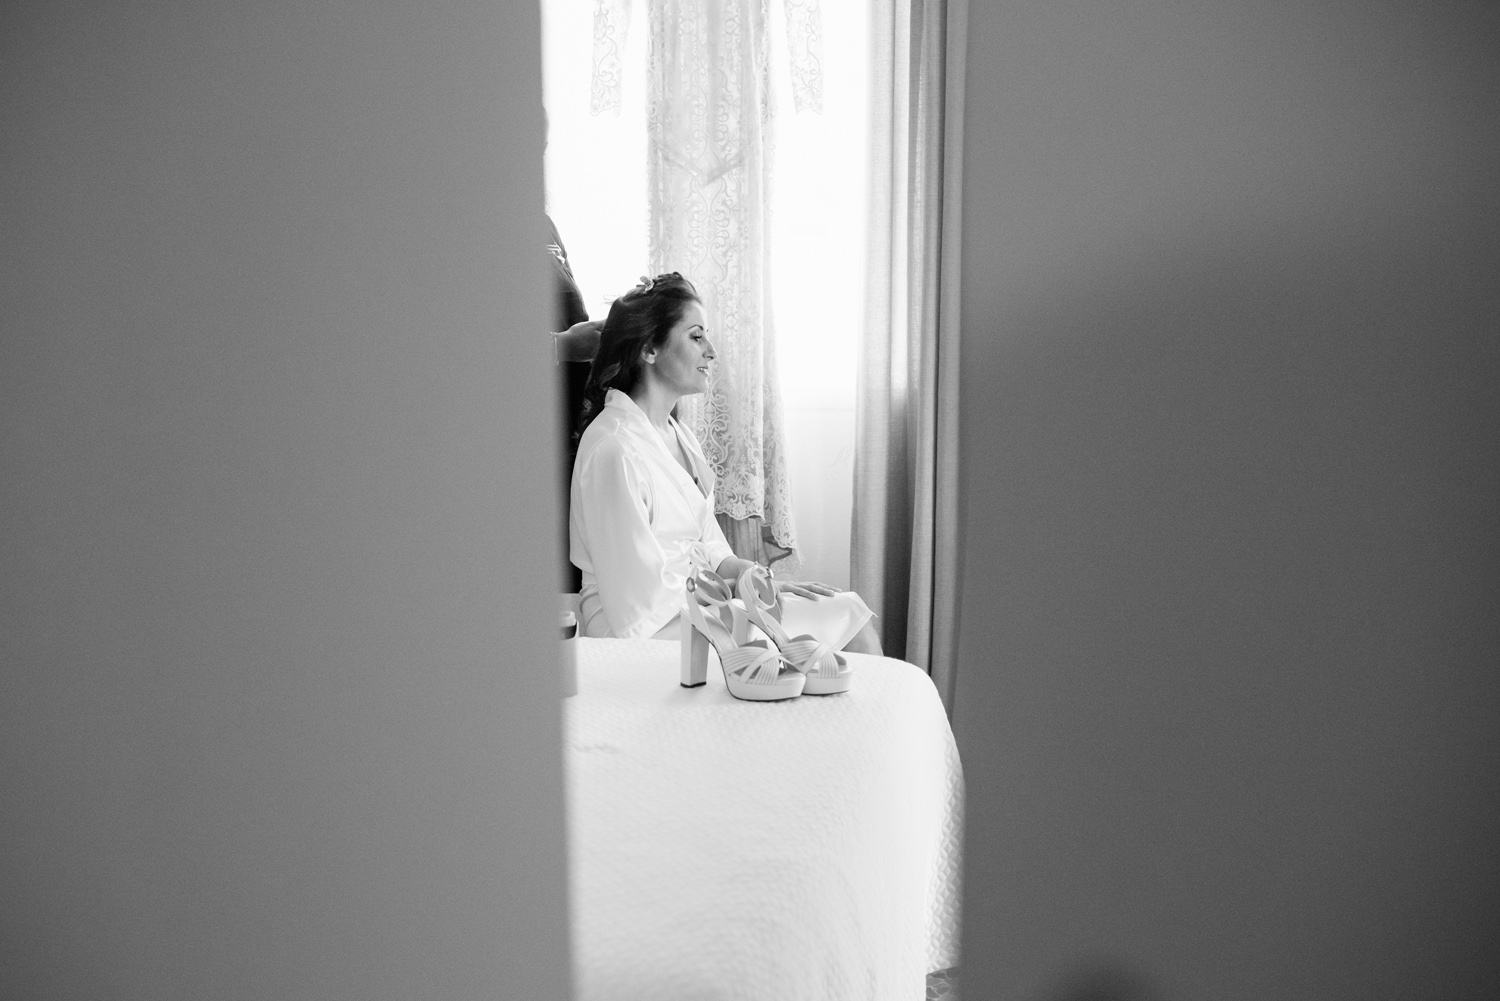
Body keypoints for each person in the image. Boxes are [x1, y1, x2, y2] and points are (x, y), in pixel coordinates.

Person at [569, 272, 882, 656]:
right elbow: (637, 603)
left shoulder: (678, 435)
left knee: (845, 613)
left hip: (695, 603)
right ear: (649, 348)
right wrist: (739, 594)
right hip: (648, 629)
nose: (712, 351)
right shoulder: (614, 449)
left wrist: (759, 581)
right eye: (696, 336)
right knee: (844, 626)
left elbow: (714, 551)